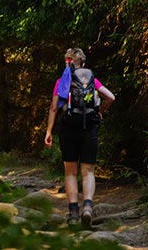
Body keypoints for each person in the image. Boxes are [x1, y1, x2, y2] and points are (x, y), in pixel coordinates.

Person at [44, 48, 115, 226]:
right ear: (83, 64)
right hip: (89, 128)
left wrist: (48, 131)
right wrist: (99, 112)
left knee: (70, 171)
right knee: (88, 171)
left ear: (67, 62)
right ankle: (88, 208)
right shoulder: (92, 79)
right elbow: (111, 97)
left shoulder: (62, 81)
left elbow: (54, 107)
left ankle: (73, 213)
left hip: (68, 128)